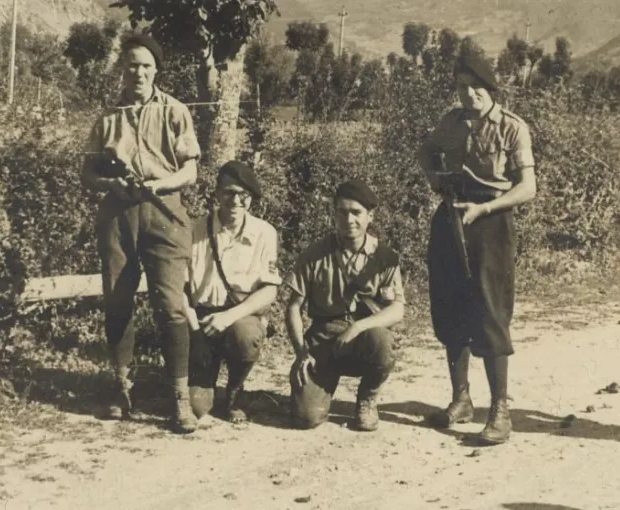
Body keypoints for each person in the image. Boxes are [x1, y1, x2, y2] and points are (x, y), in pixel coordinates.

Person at [81, 34, 202, 433]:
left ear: (156, 70)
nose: (139, 72)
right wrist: (109, 184)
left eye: (146, 65)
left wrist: (162, 183)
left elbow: (191, 170)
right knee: (118, 301)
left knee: (170, 305)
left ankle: (179, 397)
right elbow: (87, 172)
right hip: (118, 215)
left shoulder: (175, 111)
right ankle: (121, 389)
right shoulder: (107, 117)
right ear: (123, 68)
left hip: (165, 213)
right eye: (132, 64)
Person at [416, 53, 537, 445]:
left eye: (476, 88)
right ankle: (461, 400)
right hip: (451, 218)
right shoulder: (451, 122)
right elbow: (426, 151)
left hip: (490, 222)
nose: (469, 95)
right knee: (450, 308)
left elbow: (527, 188)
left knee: (490, 311)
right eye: (462, 88)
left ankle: (500, 411)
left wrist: (485, 209)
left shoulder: (512, 128)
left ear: (490, 89)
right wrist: (435, 178)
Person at [285, 180, 405, 431]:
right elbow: (294, 307)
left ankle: (367, 399)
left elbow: (397, 308)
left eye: (356, 212)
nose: (349, 219)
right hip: (324, 339)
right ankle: (320, 388)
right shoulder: (314, 254)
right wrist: (301, 351)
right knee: (307, 417)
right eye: (342, 212)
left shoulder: (385, 257)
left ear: (370, 216)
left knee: (382, 341)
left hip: (363, 337)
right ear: (334, 213)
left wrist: (358, 327)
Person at [183, 161, 281, 426]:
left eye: (243, 194)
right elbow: (179, 288)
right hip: (200, 319)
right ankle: (204, 377)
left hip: (239, 316)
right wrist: (195, 332)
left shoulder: (264, 233)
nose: (235, 201)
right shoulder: (193, 229)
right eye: (228, 192)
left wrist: (228, 317)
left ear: (251, 198)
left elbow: (269, 289)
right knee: (197, 407)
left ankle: (236, 391)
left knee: (246, 335)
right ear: (217, 193)